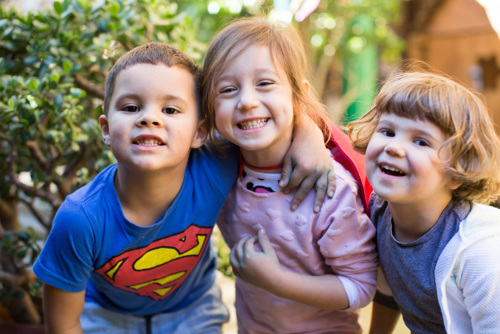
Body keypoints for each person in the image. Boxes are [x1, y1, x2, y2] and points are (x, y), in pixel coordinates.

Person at [33, 42, 337, 334]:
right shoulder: (80, 219)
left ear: (200, 131)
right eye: (130, 107)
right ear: (106, 129)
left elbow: (268, 119)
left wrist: (310, 132)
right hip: (107, 316)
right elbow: (63, 325)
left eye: (170, 110)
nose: (149, 118)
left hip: (193, 309)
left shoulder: (216, 164)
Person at [202, 18, 378, 333]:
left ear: (298, 97)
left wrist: (275, 280)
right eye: (228, 89)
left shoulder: (330, 188)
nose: (246, 101)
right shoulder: (217, 168)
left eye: (265, 83)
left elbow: (360, 287)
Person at [347, 62, 500, 334]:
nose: (394, 147)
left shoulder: (480, 252)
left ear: (457, 171)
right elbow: (389, 289)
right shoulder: (379, 214)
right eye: (388, 131)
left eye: (421, 141)